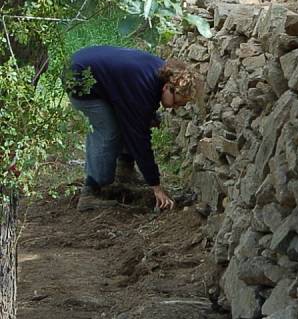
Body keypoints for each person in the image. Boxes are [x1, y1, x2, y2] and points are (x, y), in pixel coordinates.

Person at [67, 46, 199, 211]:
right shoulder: (143, 86)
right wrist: (156, 186)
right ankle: (90, 192)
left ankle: (125, 169)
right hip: (79, 78)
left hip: (90, 67)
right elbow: (139, 138)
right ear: (167, 87)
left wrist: (148, 117)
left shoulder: (159, 75)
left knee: (138, 119)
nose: (175, 107)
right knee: (108, 131)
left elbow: (137, 110)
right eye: (177, 102)